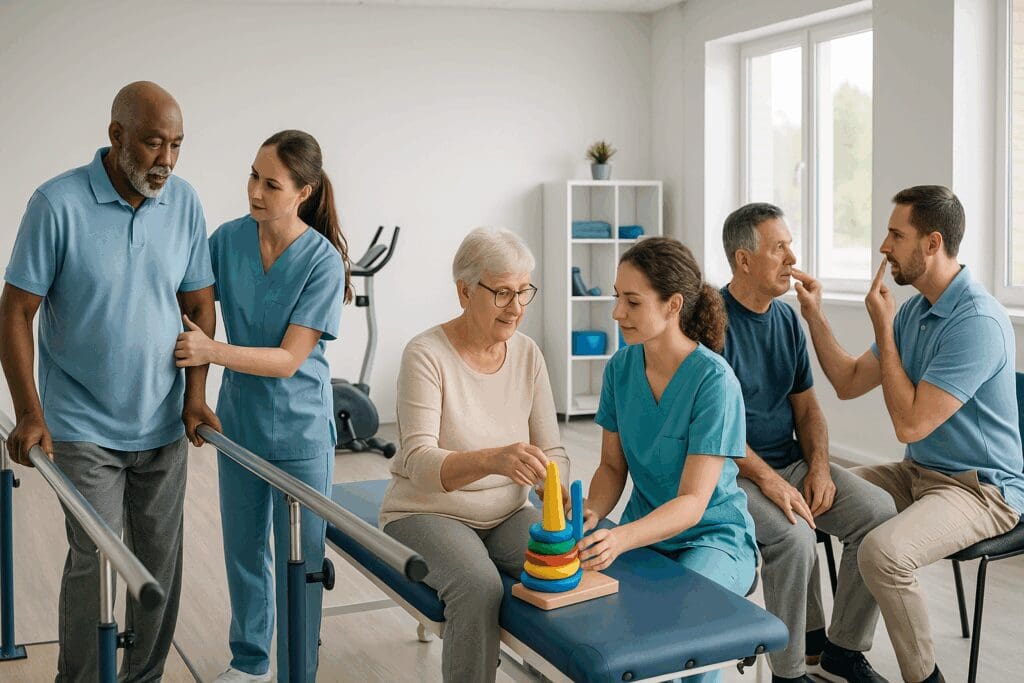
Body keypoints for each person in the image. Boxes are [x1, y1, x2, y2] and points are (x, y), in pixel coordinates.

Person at [0, 81, 218, 682]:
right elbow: (16, 310)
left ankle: (142, 677)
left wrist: (196, 396)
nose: (167, 160)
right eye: (153, 143)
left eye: (177, 145)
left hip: (163, 419)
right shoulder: (57, 204)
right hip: (81, 422)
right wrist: (29, 411)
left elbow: (199, 303)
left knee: (158, 564)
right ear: (116, 135)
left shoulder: (185, 203)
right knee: (94, 560)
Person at [792, 185, 1024, 683]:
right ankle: (838, 654)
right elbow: (848, 381)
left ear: (932, 243)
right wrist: (814, 314)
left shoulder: (977, 321)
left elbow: (910, 423)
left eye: (896, 235)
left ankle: (925, 679)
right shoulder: (917, 311)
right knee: (808, 495)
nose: (884, 247)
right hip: (918, 472)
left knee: (884, 553)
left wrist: (883, 329)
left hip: (980, 490)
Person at [174, 130, 349, 683]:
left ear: (303, 192)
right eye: (253, 175)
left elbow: (289, 359)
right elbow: (188, 299)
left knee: (302, 564)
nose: (255, 190)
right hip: (240, 426)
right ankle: (249, 664)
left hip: (301, 433)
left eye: (271, 184)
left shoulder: (322, 261)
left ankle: (298, 671)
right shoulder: (227, 240)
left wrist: (211, 350)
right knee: (244, 555)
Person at [379, 227, 569, 683]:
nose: (516, 307)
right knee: (478, 586)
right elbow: (419, 461)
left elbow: (553, 449)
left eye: (523, 291)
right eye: (502, 293)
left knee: (561, 571)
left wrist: (554, 483)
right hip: (426, 511)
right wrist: (493, 460)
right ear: (464, 292)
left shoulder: (528, 354)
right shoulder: (426, 354)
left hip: (506, 512)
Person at [720, 203, 894, 683]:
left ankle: (842, 649)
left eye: (790, 245)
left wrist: (818, 466)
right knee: (796, 538)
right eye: (779, 248)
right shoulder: (711, 322)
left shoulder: (787, 320)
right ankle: (790, 672)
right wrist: (771, 481)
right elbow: (715, 431)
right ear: (744, 260)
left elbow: (809, 409)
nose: (792, 258)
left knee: (879, 513)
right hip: (731, 472)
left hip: (790, 464)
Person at [577, 236, 758, 683]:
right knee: (603, 631)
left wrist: (620, 538)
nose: (617, 313)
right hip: (645, 534)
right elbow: (612, 467)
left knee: (685, 632)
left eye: (632, 302)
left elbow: (693, 503)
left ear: (673, 305)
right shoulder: (620, 369)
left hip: (713, 538)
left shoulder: (714, 382)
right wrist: (593, 511)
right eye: (617, 297)